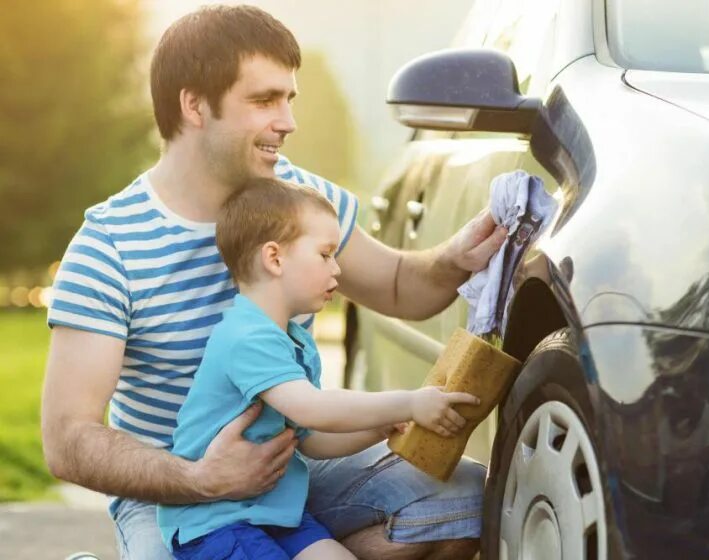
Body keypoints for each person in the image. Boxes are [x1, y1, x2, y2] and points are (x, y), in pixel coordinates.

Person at [40, 5, 507, 560]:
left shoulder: (304, 203)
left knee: (466, 502)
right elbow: (68, 438)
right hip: (171, 493)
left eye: (289, 98)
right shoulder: (109, 245)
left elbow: (403, 286)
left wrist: (455, 259)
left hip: (293, 465)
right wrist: (203, 479)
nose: (287, 121)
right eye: (263, 100)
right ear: (194, 105)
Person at [158, 178, 481, 559]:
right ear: (275, 258)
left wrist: (376, 428)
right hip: (217, 522)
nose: (337, 269)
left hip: (274, 513)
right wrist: (407, 404)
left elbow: (311, 439)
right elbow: (314, 408)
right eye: (325, 254)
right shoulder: (246, 337)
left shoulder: (291, 337)